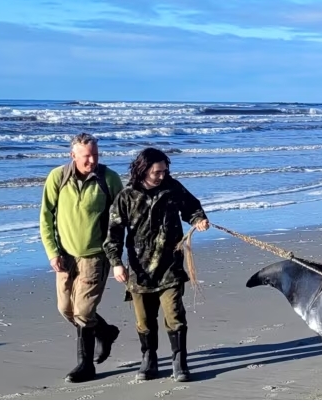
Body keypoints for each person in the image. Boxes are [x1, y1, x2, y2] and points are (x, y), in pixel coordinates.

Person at [103, 147, 209, 382]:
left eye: (165, 170)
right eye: (157, 172)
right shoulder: (127, 196)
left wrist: (199, 219)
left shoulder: (172, 188)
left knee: (174, 315)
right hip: (139, 270)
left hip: (170, 265)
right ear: (143, 170)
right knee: (144, 320)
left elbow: (192, 207)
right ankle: (149, 359)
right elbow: (114, 232)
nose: (163, 175)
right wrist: (116, 263)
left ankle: (179, 362)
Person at [39, 132, 125, 383]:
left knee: (84, 312)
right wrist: (52, 252)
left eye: (95, 155)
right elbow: (46, 217)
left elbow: (121, 219)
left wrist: (118, 256)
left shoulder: (108, 179)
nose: (91, 161)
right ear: (73, 155)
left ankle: (85, 366)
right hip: (65, 256)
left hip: (96, 256)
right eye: (86, 156)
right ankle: (105, 332)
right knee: (65, 309)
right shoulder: (58, 177)